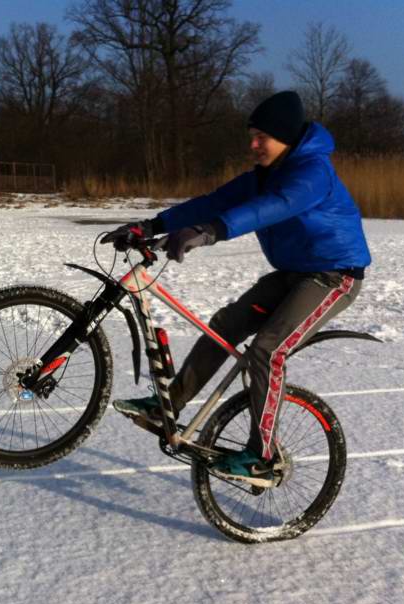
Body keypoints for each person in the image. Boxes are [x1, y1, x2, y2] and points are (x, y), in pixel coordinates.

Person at [101, 90, 371, 480]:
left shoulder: (312, 173)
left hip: (334, 276)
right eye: (252, 135)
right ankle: (168, 406)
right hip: (293, 272)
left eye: (262, 136)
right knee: (225, 324)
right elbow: (212, 202)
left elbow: (274, 206)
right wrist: (152, 226)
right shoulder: (263, 176)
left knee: (267, 350)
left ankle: (263, 457)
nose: (253, 144)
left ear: (287, 139)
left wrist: (211, 232)